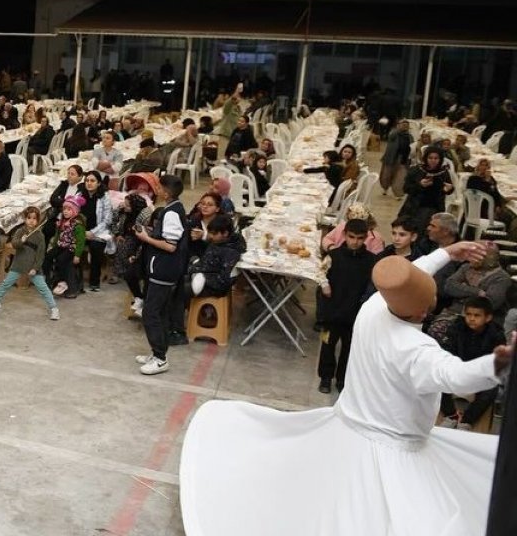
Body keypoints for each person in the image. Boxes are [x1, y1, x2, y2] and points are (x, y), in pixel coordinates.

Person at [180, 242, 511, 536]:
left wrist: (447, 253)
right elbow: (456, 376)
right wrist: (496, 365)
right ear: (425, 310)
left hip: (344, 430)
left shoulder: (374, 309)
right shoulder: (415, 349)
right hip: (392, 454)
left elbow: (404, 279)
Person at [134, 174, 190, 375]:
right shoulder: (171, 209)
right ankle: (157, 352)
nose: (156, 188)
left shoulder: (172, 213)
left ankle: (160, 358)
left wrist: (145, 238)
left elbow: (170, 246)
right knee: (159, 312)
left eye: (159, 186)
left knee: (151, 313)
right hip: (160, 268)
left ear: (166, 192)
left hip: (164, 269)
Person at [317, 219, 379, 394]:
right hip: (332, 313)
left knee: (350, 349)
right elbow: (320, 272)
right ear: (344, 235)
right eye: (351, 237)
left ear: (366, 238)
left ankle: (343, 379)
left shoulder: (371, 261)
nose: (355, 242)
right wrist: (324, 285)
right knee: (327, 345)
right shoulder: (334, 256)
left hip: (355, 314)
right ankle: (326, 377)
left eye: (360, 238)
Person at [436, 296, 506, 430]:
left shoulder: (496, 335)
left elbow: (495, 363)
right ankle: (451, 415)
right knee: (437, 375)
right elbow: (446, 352)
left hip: (480, 374)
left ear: (488, 317)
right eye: (468, 314)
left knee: (492, 387)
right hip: (458, 368)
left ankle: (467, 420)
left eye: (477, 315)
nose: (471, 318)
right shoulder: (456, 328)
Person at [0, 206, 59, 321]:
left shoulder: (40, 236)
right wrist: (21, 241)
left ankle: (54, 308)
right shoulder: (20, 231)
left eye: (34, 218)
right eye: (29, 218)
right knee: (5, 284)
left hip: (33, 268)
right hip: (18, 265)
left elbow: (40, 255)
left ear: (38, 221)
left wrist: (35, 268)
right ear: (25, 219)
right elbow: (14, 244)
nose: (31, 220)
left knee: (43, 288)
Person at [400, 146, 453, 229]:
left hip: (435, 208)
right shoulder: (417, 170)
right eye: (430, 158)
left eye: (436, 158)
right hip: (415, 207)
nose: (433, 161)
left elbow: (448, 188)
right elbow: (406, 188)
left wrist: (448, 189)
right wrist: (420, 185)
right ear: (425, 158)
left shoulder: (443, 172)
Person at [45, 195, 86, 298]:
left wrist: (77, 255)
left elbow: (81, 241)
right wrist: (53, 246)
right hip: (61, 245)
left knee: (61, 259)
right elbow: (57, 235)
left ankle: (63, 281)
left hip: (71, 248)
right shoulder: (62, 222)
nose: (66, 211)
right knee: (48, 256)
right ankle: (48, 280)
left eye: (69, 209)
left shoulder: (78, 225)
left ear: (75, 211)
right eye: (64, 209)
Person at [380, 118, 412, 197]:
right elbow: (390, 136)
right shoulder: (394, 134)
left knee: (400, 177)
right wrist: (397, 129)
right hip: (391, 158)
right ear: (398, 125)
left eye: (406, 125)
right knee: (386, 176)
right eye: (403, 124)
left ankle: (398, 193)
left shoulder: (409, 136)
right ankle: (385, 188)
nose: (405, 126)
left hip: (403, 159)